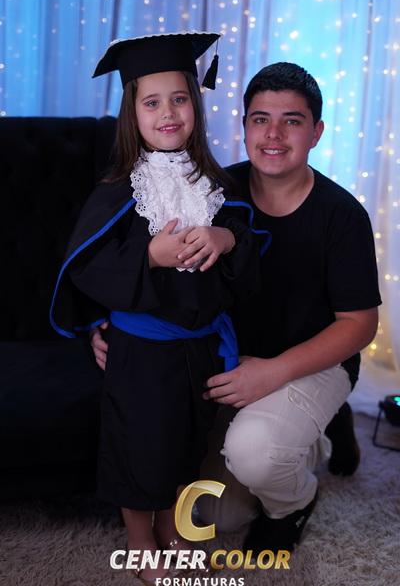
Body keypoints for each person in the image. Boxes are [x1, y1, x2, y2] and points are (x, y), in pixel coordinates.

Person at [90, 61, 381, 555]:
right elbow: (153, 265)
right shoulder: (210, 189)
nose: (273, 135)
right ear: (244, 126)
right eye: (260, 119)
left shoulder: (342, 214)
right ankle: (312, 427)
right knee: (216, 513)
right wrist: (108, 321)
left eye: (292, 121)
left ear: (316, 132)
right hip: (224, 364)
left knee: (258, 457)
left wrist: (273, 372)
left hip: (307, 362)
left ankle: (297, 499)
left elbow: (360, 324)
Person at [50, 32, 267, 584]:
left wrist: (225, 239)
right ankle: (140, 540)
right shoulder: (120, 189)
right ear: (133, 113)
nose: (168, 112)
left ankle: (173, 531)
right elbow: (85, 264)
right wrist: (149, 254)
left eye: (179, 98)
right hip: (142, 352)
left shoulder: (216, 185)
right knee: (139, 449)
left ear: (196, 104)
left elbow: (246, 255)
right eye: (152, 102)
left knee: (188, 446)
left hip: (201, 348)